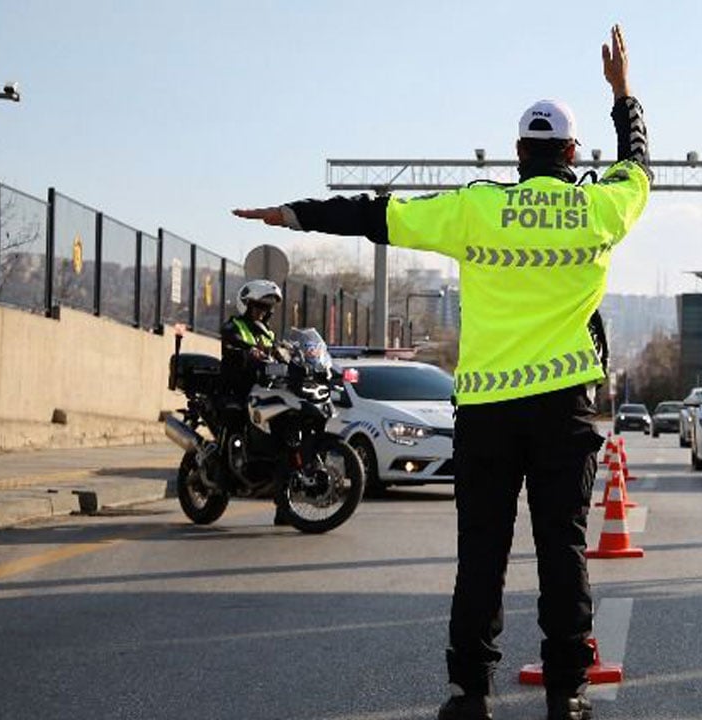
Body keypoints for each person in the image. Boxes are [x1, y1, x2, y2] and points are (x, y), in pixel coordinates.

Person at [232, 24, 649, 720]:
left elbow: (375, 215)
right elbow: (639, 165)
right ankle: (566, 692)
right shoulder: (601, 206)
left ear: (519, 154)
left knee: (481, 556)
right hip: (563, 411)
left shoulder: (475, 207)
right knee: (563, 550)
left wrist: (294, 213)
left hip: (487, 412)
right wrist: (623, 93)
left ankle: (469, 695)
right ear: (573, 155)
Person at [220, 279, 290, 525]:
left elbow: (279, 353)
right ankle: (225, 467)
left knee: (283, 445)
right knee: (235, 422)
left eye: (265, 308)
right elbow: (233, 342)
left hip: (264, 391)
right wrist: (249, 351)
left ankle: (284, 507)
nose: (261, 311)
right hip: (236, 389)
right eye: (257, 306)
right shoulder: (234, 326)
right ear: (246, 305)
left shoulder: (268, 332)